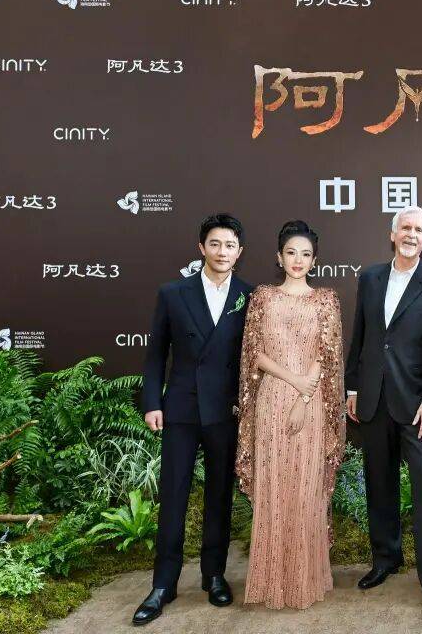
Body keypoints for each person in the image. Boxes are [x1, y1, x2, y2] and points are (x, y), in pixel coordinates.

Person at [134, 213, 255, 625]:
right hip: (181, 410)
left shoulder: (249, 295)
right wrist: (152, 403)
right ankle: (163, 584)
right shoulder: (173, 293)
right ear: (201, 247)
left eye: (230, 245)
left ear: (240, 252)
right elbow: (156, 354)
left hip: (225, 411)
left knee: (219, 496)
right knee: (173, 496)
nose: (222, 252)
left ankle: (214, 575)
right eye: (215, 244)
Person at [344, 206, 422, 621]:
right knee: (379, 483)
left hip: (416, 406)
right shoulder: (371, 278)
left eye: (419, 230)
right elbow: (361, 337)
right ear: (393, 234)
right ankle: (386, 559)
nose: (411, 235)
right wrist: (353, 386)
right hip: (373, 399)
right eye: (405, 227)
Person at [235, 220, 346, 609]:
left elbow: (327, 356)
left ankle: (304, 581)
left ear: (315, 260)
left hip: (310, 404)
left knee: (305, 489)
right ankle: (271, 582)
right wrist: (293, 381)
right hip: (270, 399)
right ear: (279, 257)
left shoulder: (326, 300)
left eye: (306, 254)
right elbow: (254, 353)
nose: (298, 260)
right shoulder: (262, 297)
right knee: (274, 489)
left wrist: (303, 396)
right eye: (291, 253)